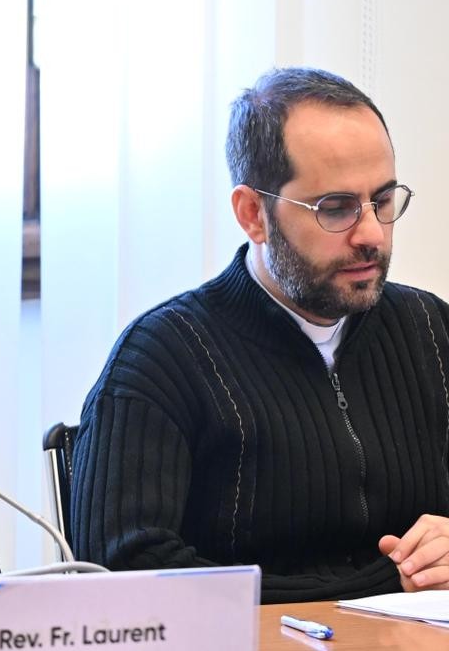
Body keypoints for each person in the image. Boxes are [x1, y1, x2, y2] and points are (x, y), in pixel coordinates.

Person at [70, 67, 449, 602]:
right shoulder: (162, 358)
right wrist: (383, 584)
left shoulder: (429, 330)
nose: (371, 235)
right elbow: (120, 571)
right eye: (336, 209)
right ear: (253, 214)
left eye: (383, 202)